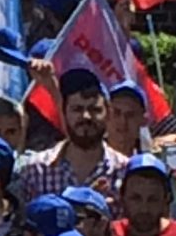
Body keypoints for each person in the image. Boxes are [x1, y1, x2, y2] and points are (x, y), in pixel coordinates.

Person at [16, 68, 127, 204]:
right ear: (64, 113)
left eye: (95, 110)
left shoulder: (125, 171)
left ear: (108, 113)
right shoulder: (36, 171)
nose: (86, 117)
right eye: (77, 109)